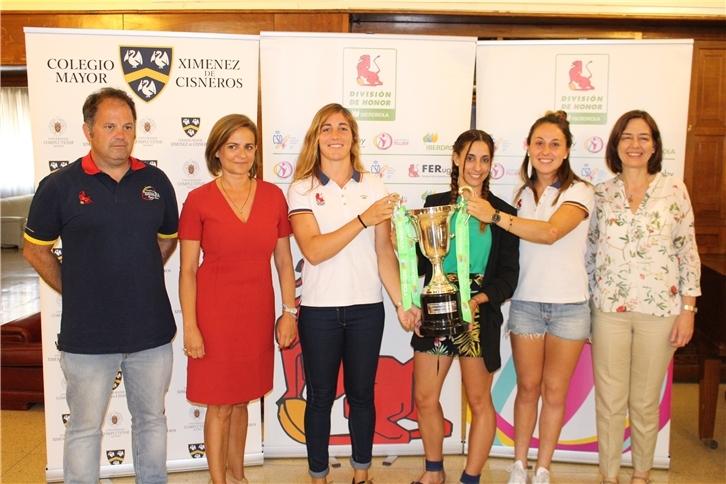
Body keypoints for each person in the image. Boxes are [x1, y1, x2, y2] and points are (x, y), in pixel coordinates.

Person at [23, 87, 178, 484]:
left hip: (150, 332)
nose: (120, 135)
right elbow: (35, 251)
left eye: (128, 126)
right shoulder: (59, 186)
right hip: (87, 336)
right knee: (84, 428)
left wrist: (137, 274)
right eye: (109, 126)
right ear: (88, 130)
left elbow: (167, 239)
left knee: (151, 422)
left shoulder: (156, 181)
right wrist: (77, 288)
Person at [287, 103, 421, 484]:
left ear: (353, 137)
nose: (335, 136)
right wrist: (363, 218)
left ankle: (362, 475)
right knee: (320, 399)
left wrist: (402, 303)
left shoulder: (373, 186)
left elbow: (383, 253)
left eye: (342, 128)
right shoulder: (301, 189)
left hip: (367, 308)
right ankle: (319, 477)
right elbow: (313, 249)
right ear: (316, 137)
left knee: (362, 396)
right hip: (319, 311)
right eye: (327, 128)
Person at [178, 114, 297, 484]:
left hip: (257, 311)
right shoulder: (198, 200)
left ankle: (238, 476)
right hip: (214, 315)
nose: (241, 154)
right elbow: (186, 270)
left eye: (248, 146)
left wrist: (289, 311)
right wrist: (191, 327)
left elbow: (283, 259)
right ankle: (218, 480)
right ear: (216, 152)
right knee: (219, 404)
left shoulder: (274, 196)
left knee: (244, 398)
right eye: (232, 146)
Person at [477, 111, 594, 484]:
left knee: (554, 391)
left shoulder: (580, 191)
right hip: (525, 304)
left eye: (555, 144)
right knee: (527, 388)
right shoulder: (520, 195)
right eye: (539, 143)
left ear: (567, 150)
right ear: (527, 147)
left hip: (570, 307)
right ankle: (519, 465)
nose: (546, 151)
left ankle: (543, 468)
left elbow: (550, 233)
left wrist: (495, 216)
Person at [587, 110, 701, 484]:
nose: (635, 145)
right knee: (609, 402)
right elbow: (589, 254)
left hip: (660, 312)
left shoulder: (674, 189)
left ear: (654, 146)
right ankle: (609, 476)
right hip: (609, 312)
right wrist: (590, 305)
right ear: (616, 145)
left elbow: (687, 252)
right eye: (627, 138)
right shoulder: (600, 194)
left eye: (643, 138)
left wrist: (689, 310)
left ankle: (641, 476)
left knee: (645, 403)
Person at [409, 130, 520, 484]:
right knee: (425, 396)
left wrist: (477, 300)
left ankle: (470, 479)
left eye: (485, 159)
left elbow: (508, 276)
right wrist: (413, 300)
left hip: (478, 312)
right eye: (470, 157)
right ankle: (434, 471)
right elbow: (422, 265)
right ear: (456, 158)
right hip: (436, 306)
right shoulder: (434, 204)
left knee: (479, 399)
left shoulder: (502, 213)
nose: (477, 166)